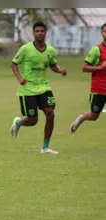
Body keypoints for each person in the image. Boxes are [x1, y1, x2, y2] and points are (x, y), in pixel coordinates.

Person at [10, 21, 67, 154]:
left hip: (44, 87)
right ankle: (18, 122)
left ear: (45, 32)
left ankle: (45, 147)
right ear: (33, 33)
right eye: (37, 31)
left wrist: (60, 70)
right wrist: (19, 78)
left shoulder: (51, 50)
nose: (40, 33)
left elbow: (53, 65)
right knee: (32, 120)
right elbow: (14, 64)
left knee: (50, 114)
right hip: (28, 89)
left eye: (42, 31)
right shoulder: (25, 48)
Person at [70, 23, 106, 133]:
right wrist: (101, 67)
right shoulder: (96, 50)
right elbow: (84, 68)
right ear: (101, 33)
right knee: (94, 116)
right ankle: (81, 118)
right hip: (99, 89)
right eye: (105, 31)